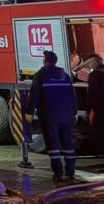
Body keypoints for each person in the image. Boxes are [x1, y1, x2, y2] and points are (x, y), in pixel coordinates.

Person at [26, 50, 77, 183]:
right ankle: (70, 171)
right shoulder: (65, 76)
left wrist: (29, 112)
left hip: (49, 117)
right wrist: (74, 112)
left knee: (53, 144)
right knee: (68, 143)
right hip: (66, 116)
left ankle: (58, 173)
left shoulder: (40, 75)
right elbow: (72, 96)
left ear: (45, 61)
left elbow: (34, 95)